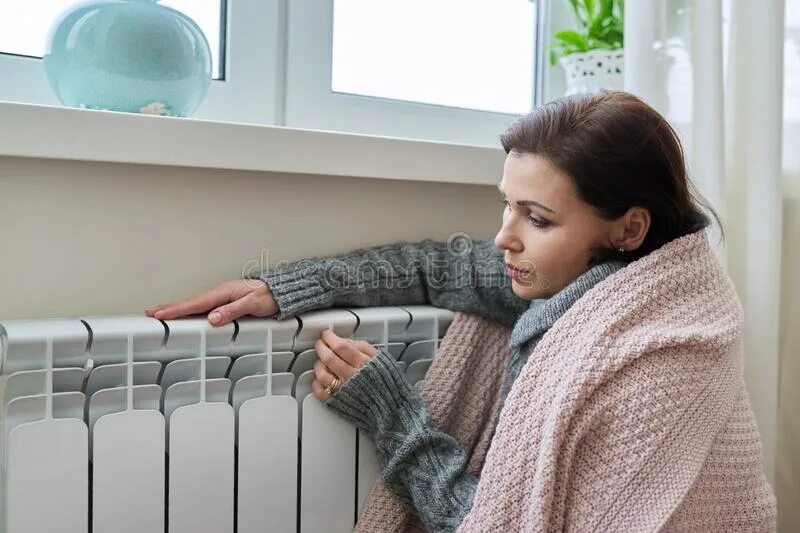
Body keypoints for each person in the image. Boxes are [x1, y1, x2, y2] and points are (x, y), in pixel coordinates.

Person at [146, 91, 776, 531]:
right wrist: (288, 288)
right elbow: (440, 268)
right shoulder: (591, 284)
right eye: (508, 204)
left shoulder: (655, 365)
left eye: (537, 218)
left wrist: (394, 414)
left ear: (628, 228)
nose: (505, 236)